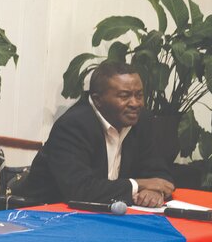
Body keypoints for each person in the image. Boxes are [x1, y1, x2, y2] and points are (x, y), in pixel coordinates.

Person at [18, 61, 174, 207]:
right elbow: (80, 190)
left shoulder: (142, 120)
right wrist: (139, 185)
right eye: (124, 96)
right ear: (97, 100)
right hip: (45, 215)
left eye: (139, 95)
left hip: (108, 216)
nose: (135, 103)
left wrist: (153, 191)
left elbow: (159, 173)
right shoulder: (73, 126)